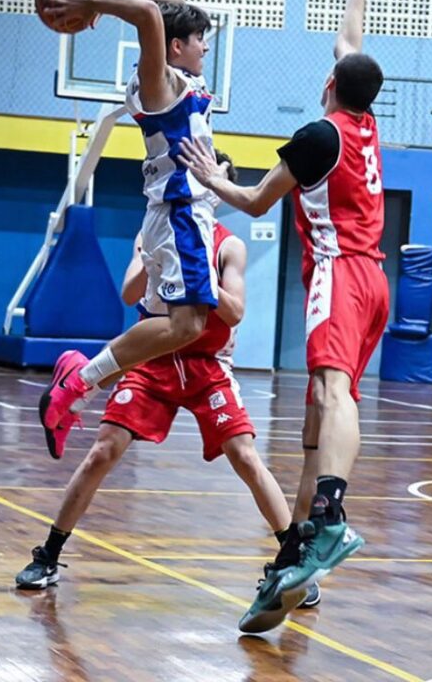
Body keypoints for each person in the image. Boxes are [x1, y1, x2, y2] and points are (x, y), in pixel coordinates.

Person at [177, 0, 392, 632]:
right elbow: (351, 39)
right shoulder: (364, 123)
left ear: (331, 84)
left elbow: (256, 202)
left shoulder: (317, 134)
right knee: (313, 426)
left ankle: (329, 516)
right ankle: (295, 559)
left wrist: (212, 176)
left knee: (332, 396)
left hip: (339, 274)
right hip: (374, 280)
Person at [16, 156, 320, 609]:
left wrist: (201, 280)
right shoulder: (156, 230)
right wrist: (151, 258)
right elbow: (129, 294)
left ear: (217, 195)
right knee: (104, 450)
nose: (198, 186)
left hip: (205, 362)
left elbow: (235, 312)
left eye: (207, 181)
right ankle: (49, 554)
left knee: (244, 455)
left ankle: (292, 560)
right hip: (152, 360)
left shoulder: (227, 246)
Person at [37, 0, 221, 458]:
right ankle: (77, 381)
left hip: (171, 215)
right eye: (199, 38)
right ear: (174, 45)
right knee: (186, 327)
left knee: (158, 331)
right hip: (182, 214)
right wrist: (91, 0)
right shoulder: (158, 81)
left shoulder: (173, 78)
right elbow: (145, 12)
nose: (206, 47)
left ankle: (77, 387)